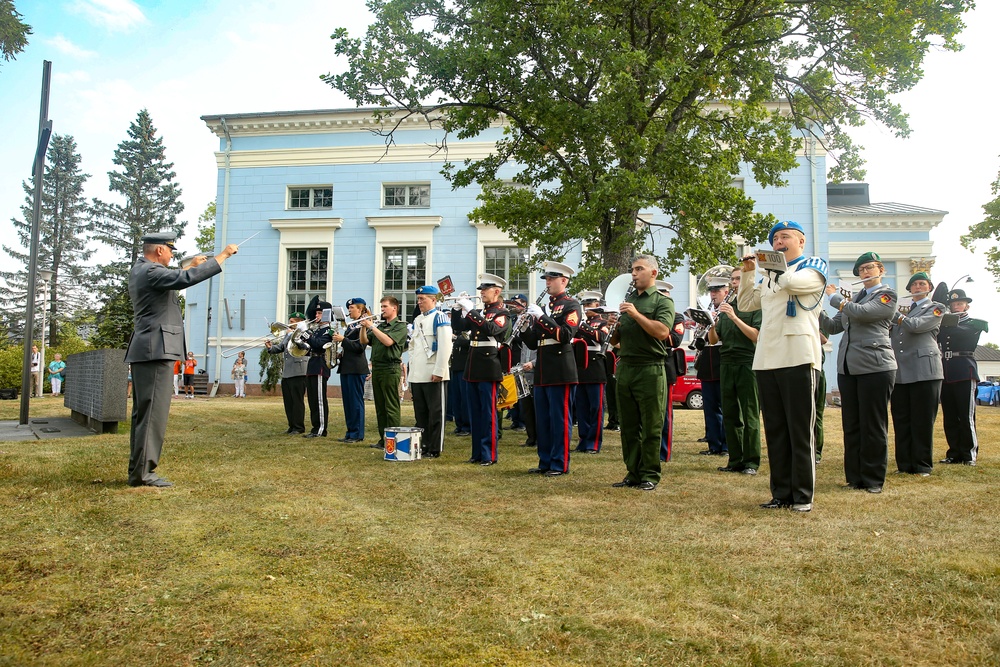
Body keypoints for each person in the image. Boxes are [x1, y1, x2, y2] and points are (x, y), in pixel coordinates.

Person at [125, 231, 238, 487]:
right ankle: (143, 473)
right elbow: (184, 278)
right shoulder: (151, 271)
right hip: (156, 350)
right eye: (170, 251)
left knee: (145, 412)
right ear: (160, 251)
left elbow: (177, 274)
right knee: (153, 413)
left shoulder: (142, 270)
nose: (172, 255)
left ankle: (139, 470)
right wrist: (222, 256)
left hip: (149, 349)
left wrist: (190, 265)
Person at [738, 220, 827, 512]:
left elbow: (792, 284)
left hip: (798, 354)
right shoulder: (767, 274)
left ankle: (802, 495)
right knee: (776, 429)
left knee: (800, 429)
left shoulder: (811, 266)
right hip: (768, 356)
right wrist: (749, 273)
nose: (779, 242)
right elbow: (747, 304)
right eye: (775, 238)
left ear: (800, 241)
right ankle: (781, 493)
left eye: (785, 237)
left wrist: (770, 267)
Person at [820, 251, 897, 494]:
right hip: (848, 367)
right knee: (852, 424)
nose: (865, 272)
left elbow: (865, 313)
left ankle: (873, 479)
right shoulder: (854, 299)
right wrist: (813, 309)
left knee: (873, 425)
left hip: (875, 366)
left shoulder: (887, 295)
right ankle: (854, 477)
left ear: (881, 270)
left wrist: (835, 298)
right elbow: (833, 327)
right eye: (862, 269)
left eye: (870, 267)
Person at [609, 255, 673, 491]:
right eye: (632, 269)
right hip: (626, 365)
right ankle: (632, 472)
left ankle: (650, 474)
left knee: (651, 424)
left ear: (653, 273)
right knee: (628, 424)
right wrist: (614, 325)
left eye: (639, 269)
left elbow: (662, 332)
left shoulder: (661, 301)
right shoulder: (628, 300)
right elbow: (617, 340)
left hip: (650, 367)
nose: (634, 274)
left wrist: (635, 314)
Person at [521, 262, 582, 476]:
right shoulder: (547, 307)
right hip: (544, 368)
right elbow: (532, 342)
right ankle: (545, 461)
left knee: (559, 418)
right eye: (546, 279)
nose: (547, 283)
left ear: (563, 281)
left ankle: (559, 463)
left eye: (551, 279)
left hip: (560, 368)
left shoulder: (571, 305)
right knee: (544, 419)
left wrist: (542, 317)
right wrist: (525, 327)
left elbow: (566, 335)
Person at [450, 275, 511, 466]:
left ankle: (489, 454)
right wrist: (457, 310)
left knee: (487, 412)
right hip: (473, 362)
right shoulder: (482, 311)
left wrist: (472, 311)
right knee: (474, 412)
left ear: (497, 291)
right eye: (481, 289)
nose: (482, 292)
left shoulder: (502, 313)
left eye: (486, 289)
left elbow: (492, 329)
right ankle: (477, 452)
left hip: (488, 364)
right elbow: (459, 327)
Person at [889, 271, 945, 476]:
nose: (918, 287)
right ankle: (904, 464)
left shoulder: (936, 308)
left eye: (922, 284)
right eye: (914, 285)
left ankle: (922, 464)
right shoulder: (902, 309)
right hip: (901, 370)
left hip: (925, 370)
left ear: (929, 287)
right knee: (902, 418)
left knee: (922, 419)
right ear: (910, 289)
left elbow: (916, 325)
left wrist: (891, 312)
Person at [709, 267, 762, 475]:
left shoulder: (755, 307)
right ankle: (735, 459)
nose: (734, 283)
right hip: (726, 362)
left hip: (747, 362)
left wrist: (734, 318)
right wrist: (712, 324)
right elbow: (714, 340)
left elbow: (755, 336)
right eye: (732, 279)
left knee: (749, 413)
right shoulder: (727, 305)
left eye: (739, 279)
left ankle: (751, 462)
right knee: (730, 413)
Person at [937, 288, 989, 466]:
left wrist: (944, 321)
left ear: (967, 305)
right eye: (953, 304)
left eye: (959, 303)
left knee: (966, 415)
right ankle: (954, 452)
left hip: (964, 369)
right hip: (946, 370)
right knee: (950, 415)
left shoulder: (975, 324)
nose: (956, 306)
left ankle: (969, 453)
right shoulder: (944, 324)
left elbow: (961, 333)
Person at [409, 285, 453, 458]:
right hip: (418, 373)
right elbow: (413, 347)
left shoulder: (440, 317)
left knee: (436, 413)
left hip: (434, 372)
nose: (420, 302)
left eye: (423, 299)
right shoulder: (418, 319)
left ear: (434, 300)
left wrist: (440, 370)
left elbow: (445, 345)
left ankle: (435, 447)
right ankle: (424, 444)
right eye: (419, 299)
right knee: (421, 413)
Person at [360, 296, 408, 449]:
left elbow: (388, 342)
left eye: (385, 306)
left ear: (394, 308)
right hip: (378, 368)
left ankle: (393, 441)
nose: (382, 309)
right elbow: (364, 341)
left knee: (391, 407)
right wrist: (363, 326)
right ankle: (383, 440)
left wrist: (372, 326)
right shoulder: (380, 327)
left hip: (390, 368)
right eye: (381, 307)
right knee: (380, 407)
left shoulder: (400, 326)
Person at [694, 279, 728, 458]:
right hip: (708, 360)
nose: (713, 294)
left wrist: (713, 324)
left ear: (726, 291)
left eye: (717, 290)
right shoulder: (710, 311)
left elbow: (719, 337)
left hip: (723, 357)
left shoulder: (729, 311)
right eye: (711, 291)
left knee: (724, 405)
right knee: (710, 406)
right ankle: (714, 444)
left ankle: (726, 445)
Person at [574, 291, 608, 454]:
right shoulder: (581, 322)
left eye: (590, 304)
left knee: (596, 407)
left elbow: (601, 338)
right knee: (581, 407)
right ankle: (583, 439)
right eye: (584, 305)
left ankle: (594, 442)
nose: (586, 308)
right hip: (581, 367)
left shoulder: (603, 322)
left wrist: (583, 326)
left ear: (597, 304)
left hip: (595, 367)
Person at [655, 280, 685, 463]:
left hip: (665, 365)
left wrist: (655, 330)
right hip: (647, 363)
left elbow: (675, 340)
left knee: (664, 413)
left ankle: (663, 452)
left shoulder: (677, 317)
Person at [332, 299, 370, 443]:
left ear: (360, 310)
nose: (349, 310)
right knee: (347, 402)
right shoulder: (351, 325)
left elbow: (360, 347)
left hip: (356, 368)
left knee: (355, 402)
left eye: (352, 308)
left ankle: (357, 434)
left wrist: (343, 340)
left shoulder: (362, 324)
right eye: (348, 308)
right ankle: (350, 431)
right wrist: (340, 353)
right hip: (347, 366)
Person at [265, 311, 309, 434]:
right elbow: (281, 348)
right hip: (287, 371)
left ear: (299, 322)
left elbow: (303, 347)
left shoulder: (303, 333)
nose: (289, 325)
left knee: (297, 401)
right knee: (288, 401)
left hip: (299, 371)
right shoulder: (288, 334)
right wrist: (270, 347)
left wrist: (291, 335)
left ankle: (299, 427)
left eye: (292, 322)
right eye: (289, 322)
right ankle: (292, 425)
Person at [299, 297, 334, 438]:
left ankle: (321, 429)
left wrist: (308, 338)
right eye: (316, 313)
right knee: (312, 399)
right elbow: (309, 348)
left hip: (320, 365)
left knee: (319, 400)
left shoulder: (328, 331)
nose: (316, 316)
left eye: (319, 313)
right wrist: (301, 342)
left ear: (326, 314)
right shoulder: (316, 330)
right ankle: (315, 427)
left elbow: (319, 344)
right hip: (312, 364)